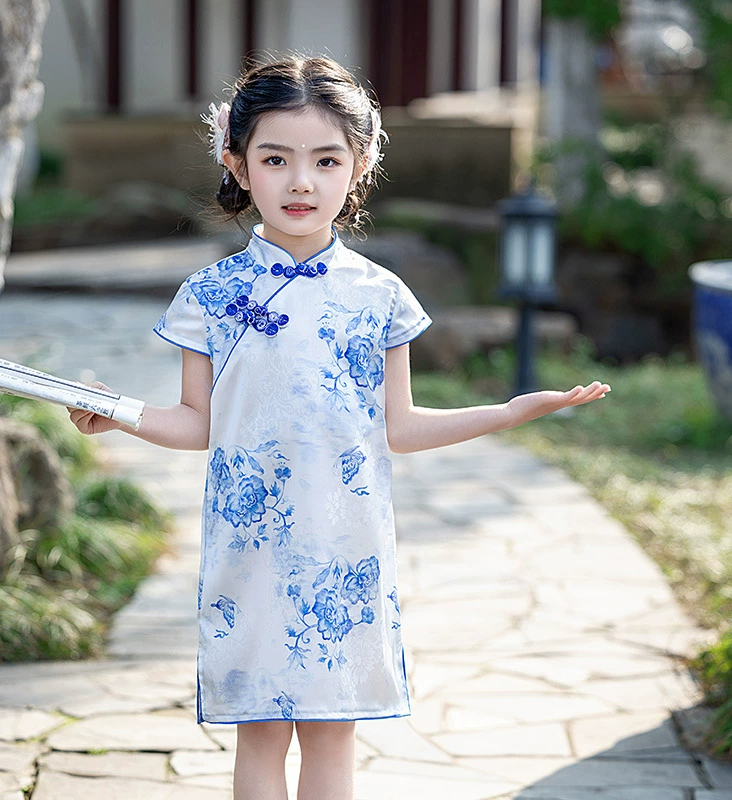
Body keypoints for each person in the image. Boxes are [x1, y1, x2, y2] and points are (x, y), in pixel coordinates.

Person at [69, 54, 611, 800]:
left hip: (346, 550)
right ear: (237, 163)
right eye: (276, 159)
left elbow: (402, 427)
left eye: (326, 160)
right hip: (249, 548)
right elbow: (198, 424)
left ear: (360, 165)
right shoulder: (211, 294)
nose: (301, 182)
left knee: (332, 732)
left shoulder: (380, 296)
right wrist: (120, 414)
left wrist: (512, 411)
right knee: (260, 728)